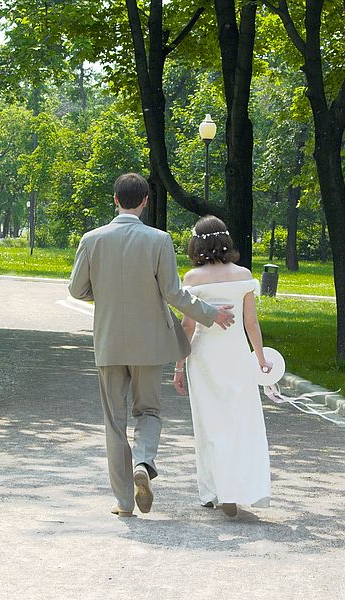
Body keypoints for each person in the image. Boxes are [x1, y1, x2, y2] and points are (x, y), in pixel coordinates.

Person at [68, 173, 235, 518]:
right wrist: (210, 314)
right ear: (146, 201)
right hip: (150, 344)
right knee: (149, 411)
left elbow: (76, 290)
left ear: (115, 199)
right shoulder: (159, 240)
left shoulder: (92, 239)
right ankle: (144, 461)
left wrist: (103, 294)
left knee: (114, 421)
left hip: (109, 342)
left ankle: (124, 502)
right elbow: (173, 293)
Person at [172, 215, 272, 517]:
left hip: (205, 356)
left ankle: (215, 490)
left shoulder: (192, 279)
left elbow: (188, 327)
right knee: (241, 421)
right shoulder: (243, 275)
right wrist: (261, 359)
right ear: (226, 240)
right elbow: (251, 323)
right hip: (236, 354)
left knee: (209, 423)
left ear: (196, 243)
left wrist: (178, 365)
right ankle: (240, 488)